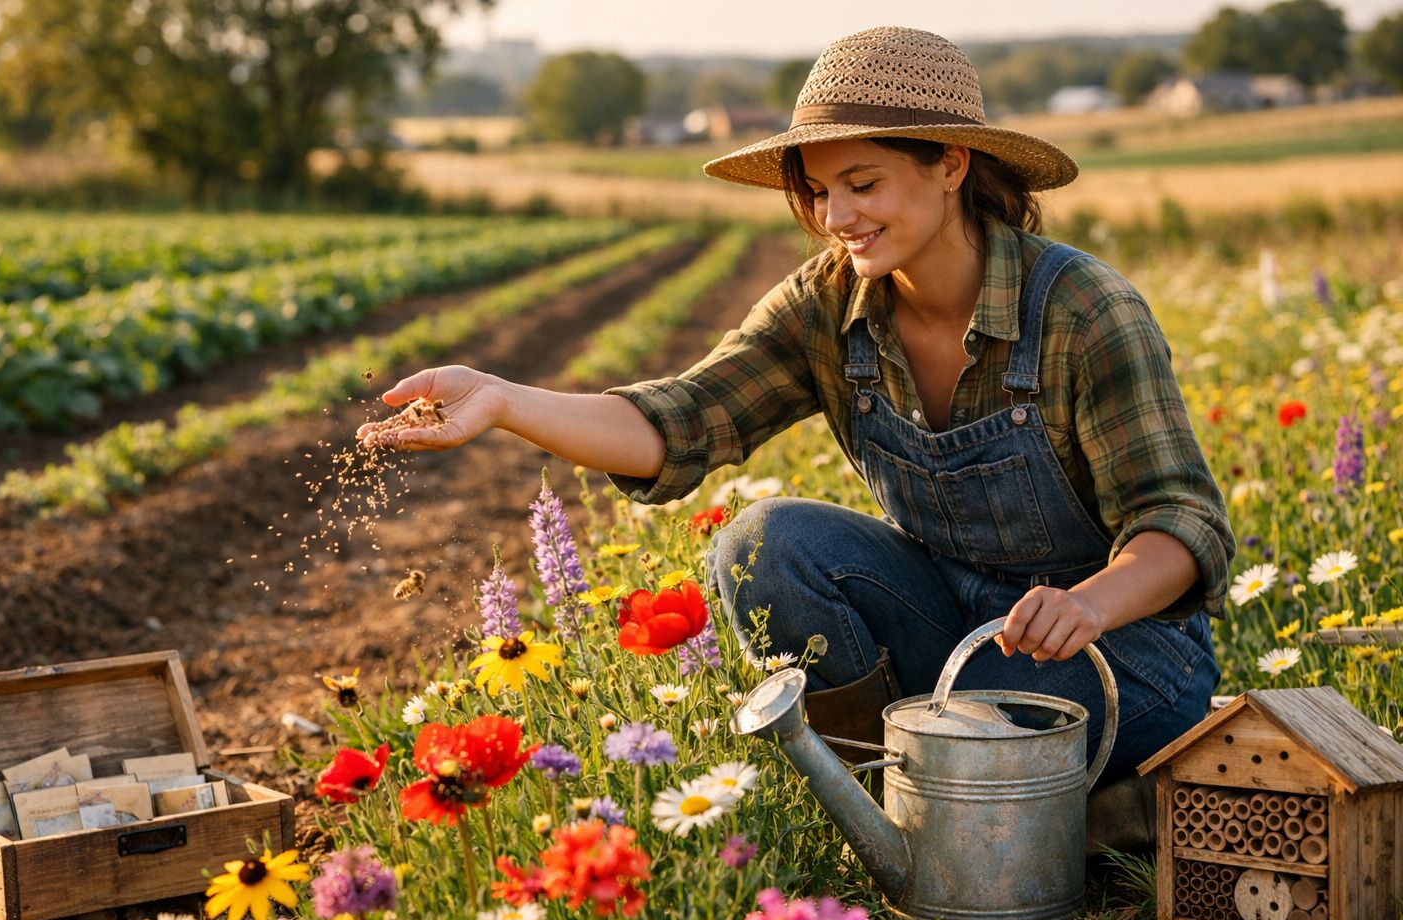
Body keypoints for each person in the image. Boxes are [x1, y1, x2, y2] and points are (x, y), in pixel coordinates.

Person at [360, 27, 1234, 821]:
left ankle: (1027, 801)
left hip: (1122, 651)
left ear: (952, 164)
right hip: (951, 624)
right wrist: (507, 401)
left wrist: (1084, 605)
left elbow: (1181, 529)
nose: (835, 217)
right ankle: (897, 804)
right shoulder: (827, 304)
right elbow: (681, 421)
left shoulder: (1083, 311)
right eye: (818, 192)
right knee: (763, 543)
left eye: (863, 183)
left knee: (977, 730)